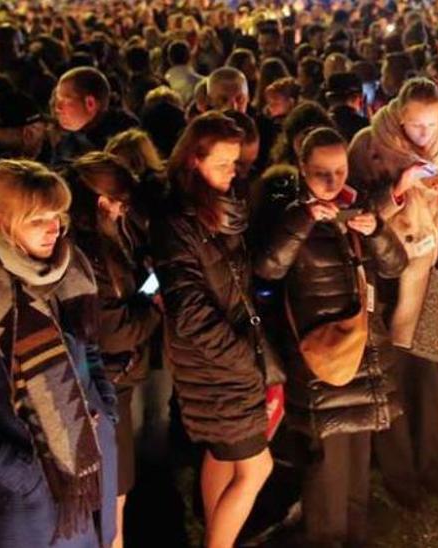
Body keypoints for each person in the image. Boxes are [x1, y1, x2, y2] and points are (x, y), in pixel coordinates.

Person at [0, 159, 118, 547]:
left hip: (89, 473)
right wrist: (27, 474)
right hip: (30, 506)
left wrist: (106, 409)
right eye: (37, 219)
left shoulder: (69, 274)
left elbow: (90, 350)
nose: (54, 228)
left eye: (57, 215)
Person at [255, 127, 407, 545]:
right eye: (321, 172)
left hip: (363, 351)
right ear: (302, 168)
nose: (332, 181)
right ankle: (325, 535)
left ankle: (356, 534)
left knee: (358, 457)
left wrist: (376, 229)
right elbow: (267, 269)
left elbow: (395, 266)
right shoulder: (288, 212)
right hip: (321, 356)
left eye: (339, 170)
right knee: (327, 462)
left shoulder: (355, 207)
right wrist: (303, 221)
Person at [150, 112, 274, 548]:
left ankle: (214, 534)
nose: (232, 173)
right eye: (222, 164)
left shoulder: (217, 209)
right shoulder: (178, 222)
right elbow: (188, 308)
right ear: (192, 161)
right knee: (257, 468)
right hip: (216, 365)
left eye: (235, 163)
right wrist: (240, 353)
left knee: (221, 456)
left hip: (222, 359)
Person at [348, 77, 438, 503]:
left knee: (431, 376)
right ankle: (400, 473)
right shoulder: (368, 145)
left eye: (432, 125)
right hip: (387, 277)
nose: (425, 135)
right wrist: (399, 187)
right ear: (400, 117)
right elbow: (359, 216)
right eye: (417, 126)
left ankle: (433, 463)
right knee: (392, 375)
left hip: (432, 271)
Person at [66, 152, 163, 548]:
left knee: (114, 496)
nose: (125, 212)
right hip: (104, 384)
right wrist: (154, 309)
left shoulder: (112, 238)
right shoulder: (88, 254)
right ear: (104, 202)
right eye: (121, 203)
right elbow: (113, 329)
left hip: (114, 381)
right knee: (110, 501)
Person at [53, 67, 140, 167]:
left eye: (65, 101)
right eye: (57, 100)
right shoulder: (66, 140)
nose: (57, 108)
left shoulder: (126, 138)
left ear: (90, 103)